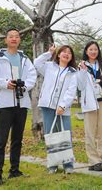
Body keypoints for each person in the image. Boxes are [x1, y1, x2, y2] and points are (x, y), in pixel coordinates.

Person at [0, 28, 37, 186]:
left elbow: (32, 76)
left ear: (19, 40)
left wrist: (23, 86)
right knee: (1, 140)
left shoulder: (24, 58)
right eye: (11, 36)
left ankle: (14, 170)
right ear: (6, 40)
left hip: (22, 103)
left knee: (17, 139)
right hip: (5, 104)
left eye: (17, 36)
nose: (14, 39)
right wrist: (5, 84)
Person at [35, 44, 78, 174]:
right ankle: (53, 164)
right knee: (51, 135)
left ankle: (68, 164)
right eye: (63, 51)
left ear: (71, 57)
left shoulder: (73, 73)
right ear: (58, 54)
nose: (66, 54)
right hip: (48, 106)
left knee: (65, 134)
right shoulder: (49, 67)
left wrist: (62, 106)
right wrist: (49, 53)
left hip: (63, 108)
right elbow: (36, 63)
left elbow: (71, 91)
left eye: (69, 52)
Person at [77, 41, 102, 171]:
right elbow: (80, 86)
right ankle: (93, 161)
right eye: (90, 49)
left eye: (95, 49)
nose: (93, 52)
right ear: (86, 51)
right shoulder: (82, 66)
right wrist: (82, 72)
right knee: (90, 132)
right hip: (90, 103)